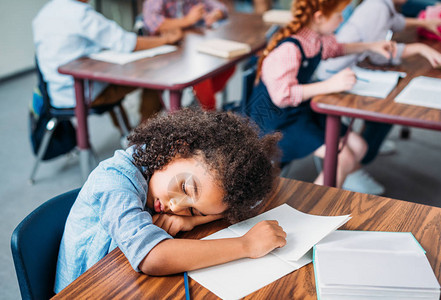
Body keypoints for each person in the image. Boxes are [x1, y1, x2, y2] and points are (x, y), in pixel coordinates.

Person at [54, 109, 286, 292]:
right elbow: (153, 257)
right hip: (86, 288)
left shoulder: (166, 170)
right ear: (178, 148)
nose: (175, 207)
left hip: (124, 280)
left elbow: (237, 205)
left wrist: (193, 222)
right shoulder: (116, 181)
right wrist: (246, 245)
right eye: (185, 188)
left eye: (193, 210)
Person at [245, 0, 397, 189]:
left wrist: (372, 46)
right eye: (339, 15)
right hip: (274, 121)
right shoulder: (290, 49)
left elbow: (339, 48)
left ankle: (340, 181)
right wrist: (330, 85)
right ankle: (316, 208)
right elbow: (282, 96)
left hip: (298, 111)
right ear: (319, 17)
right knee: (343, 156)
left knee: (359, 146)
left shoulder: (315, 39)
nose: (342, 20)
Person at [314, 0, 441, 194]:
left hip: (350, 69)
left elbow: (396, 22)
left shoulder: (382, 5)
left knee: (394, 91)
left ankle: (360, 150)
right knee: (391, 103)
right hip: (336, 76)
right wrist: (419, 48)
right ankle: (358, 161)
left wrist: (424, 24)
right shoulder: (377, 8)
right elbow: (380, 55)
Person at [32, 0, 182, 128]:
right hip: (79, 93)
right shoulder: (80, 14)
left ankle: (127, 132)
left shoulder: (44, 13)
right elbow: (127, 43)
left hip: (54, 93)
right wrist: (166, 40)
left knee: (108, 80)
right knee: (156, 77)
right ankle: (145, 133)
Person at [142, 0, 235, 110]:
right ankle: (207, 111)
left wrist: (215, 14)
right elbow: (153, 23)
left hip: (192, 48)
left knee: (229, 64)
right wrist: (187, 20)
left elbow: (220, 7)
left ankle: (198, 106)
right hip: (165, 55)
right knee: (200, 76)